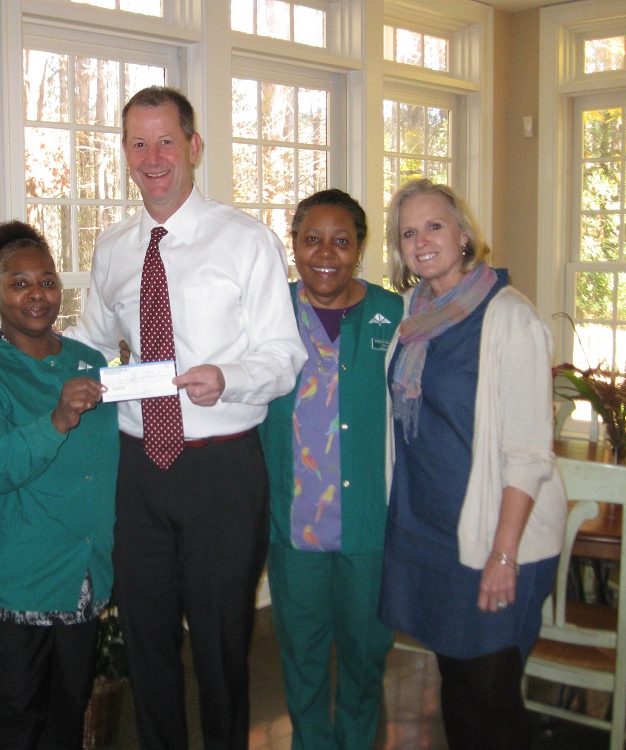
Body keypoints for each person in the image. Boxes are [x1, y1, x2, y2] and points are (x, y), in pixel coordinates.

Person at [66, 86, 306, 749]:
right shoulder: (114, 248)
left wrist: (229, 378)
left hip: (222, 471)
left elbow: (283, 356)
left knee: (223, 648)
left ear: (194, 147)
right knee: (146, 644)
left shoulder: (246, 241)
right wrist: (29, 360)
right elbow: (91, 344)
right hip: (137, 471)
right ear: (125, 153)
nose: (153, 158)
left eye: (166, 141)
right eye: (139, 144)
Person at [378, 179, 568, 750]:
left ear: (463, 235)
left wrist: (503, 554)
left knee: (491, 697)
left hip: (497, 537)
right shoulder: (412, 315)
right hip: (430, 534)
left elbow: (529, 452)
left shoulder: (509, 317)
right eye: (408, 233)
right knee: (458, 689)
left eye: (434, 226)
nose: (422, 241)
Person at [0, 221, 119, 750]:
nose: (37, 294)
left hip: (79, 579)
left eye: (47, 281)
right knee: (13, 727)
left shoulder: (90, 363)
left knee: (67, 719)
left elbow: (107, 461)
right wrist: (56, 420)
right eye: (19, 283)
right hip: (9, 587)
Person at [260, 189, 402, 749]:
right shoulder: (268, 310)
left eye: (341, 241)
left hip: (370, 524)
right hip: (294, 525)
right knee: (302, 659)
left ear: (358, 248)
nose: (325, 253)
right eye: (311, 239)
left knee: (366, 656)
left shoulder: (394, 314)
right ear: (294, 244)